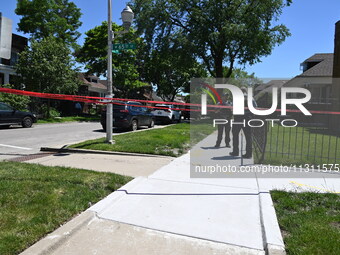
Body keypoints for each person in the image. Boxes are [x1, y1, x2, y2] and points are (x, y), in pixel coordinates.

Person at [229, 87, 256, 158]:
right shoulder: (251, 98)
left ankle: (235, 152)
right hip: (247, 118)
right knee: (248, 136)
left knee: (235, 135)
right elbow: (255, 107)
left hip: (238, 118)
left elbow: (232, 107)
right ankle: (249, 154)